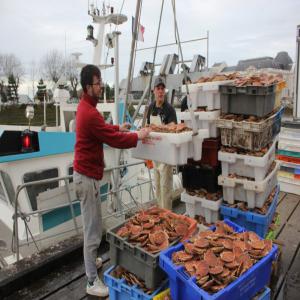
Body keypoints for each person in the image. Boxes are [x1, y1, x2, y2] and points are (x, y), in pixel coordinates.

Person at [73, 64, 150, 297]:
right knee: (92, 230)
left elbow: (104, 131)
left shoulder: (87, 109)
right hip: (86, 179)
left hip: (88, 177)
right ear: (88, 87)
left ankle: (91, 262)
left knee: (94, 226)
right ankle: (91, 281)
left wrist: (119, 127)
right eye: (98, 83)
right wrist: (138, 136)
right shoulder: (89, 113)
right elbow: (114, 140)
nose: (101, 86)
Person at [146, 77, 177, 210]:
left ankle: (168, 217)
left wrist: (160, 127)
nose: (160, 91)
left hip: (166, 155)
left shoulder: (169, 109)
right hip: (155, 155)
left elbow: (174, 126)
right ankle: (160, 216)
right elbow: (147, 126)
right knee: (157, 188)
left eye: (162, 89)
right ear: (153, 91)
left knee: (166, 189)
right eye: (158, 89)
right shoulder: (150, 108)